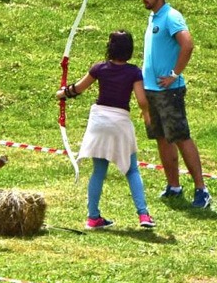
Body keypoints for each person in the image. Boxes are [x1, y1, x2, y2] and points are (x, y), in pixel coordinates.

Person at [56, 31, 155, 229]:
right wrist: (148, 119)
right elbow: (142, 100)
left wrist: (62, 93)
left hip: (99, 121)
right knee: (132, 169)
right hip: (120, 122)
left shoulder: (99, 68)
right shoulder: (133, 72)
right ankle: (143, 215)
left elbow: (78, 88)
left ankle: (93, 217)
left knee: (98, 171)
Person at [140, 0, 211, 208]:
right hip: (151, 90)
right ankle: (174, 186)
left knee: (180, 137)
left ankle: (201, 189)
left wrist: (174, 74)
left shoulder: (172, 16)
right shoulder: (153, 17)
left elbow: (187, 44)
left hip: (169, 91)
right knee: (161, 137)